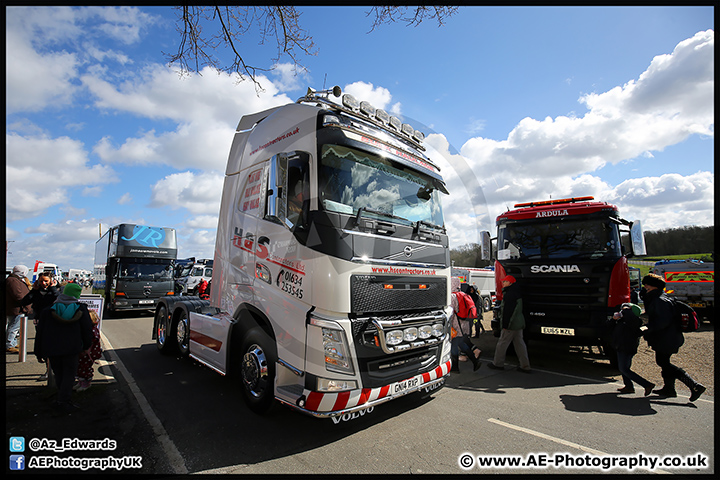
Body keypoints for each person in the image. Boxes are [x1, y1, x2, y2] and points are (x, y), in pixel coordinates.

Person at [640, 273, 705, 402]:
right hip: (670, 336)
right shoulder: (661, 297)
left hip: (666, 337)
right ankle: (669, 389)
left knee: (663, 362)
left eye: (647, 284)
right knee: (664, 362)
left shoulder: (659, 300)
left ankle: (694, 385)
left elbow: (662, 321)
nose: (645, 286)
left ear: (654, 286)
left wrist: (645, 328)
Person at [35, 283, 93, 414]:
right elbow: (87, 330)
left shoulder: (48, 310)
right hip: (72, 348)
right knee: (69, 375)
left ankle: (62, 398)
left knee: (59, 374)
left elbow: (40, 333)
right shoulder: (81, 309)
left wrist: (38, 351)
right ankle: (64, 401)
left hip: (52, 348)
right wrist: (86, 346)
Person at [20, 272, 60, 380]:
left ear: (51, 281)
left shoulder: (55, 290)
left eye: (46, 281)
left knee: (52, 345)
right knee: (43, 344)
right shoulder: (36, 292)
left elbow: (58, 299)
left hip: (53, 321)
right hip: (40, 321)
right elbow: (25, 301)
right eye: (41, 281)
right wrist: (34, 290)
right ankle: (47, 368)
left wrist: (53, 288)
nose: (44, 283)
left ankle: (53, 371)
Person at [610, 303, 655, 396]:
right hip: (621, 346)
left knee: (624, 369)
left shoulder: (634, 322)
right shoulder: (622, 321)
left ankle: (646, 384)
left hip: (627, 347)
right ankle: (628, 386)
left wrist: (626, 310)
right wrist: (613, 319)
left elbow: (631, 318)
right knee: (624, 368)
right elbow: (608, 326)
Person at [489, 275, 531, 372]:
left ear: (510, 283)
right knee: (520, 344)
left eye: (505, 282)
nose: (503, 283)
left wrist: (505, 325)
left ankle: (498, 363)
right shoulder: (517, 292)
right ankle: (525, 366)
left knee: (502, 344)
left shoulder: (509, 294)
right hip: (519, 323)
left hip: (511, 324)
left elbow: (508, 311)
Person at [450, 277, 482, 372]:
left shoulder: (452, 296)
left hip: (456, 325)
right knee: (462, 344)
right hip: (465, 324)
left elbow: (451, 313)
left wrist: (449, 325)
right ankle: (475, 361)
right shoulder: (464, 294)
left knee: (454, 346)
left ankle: (455, 367)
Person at [5, 265, 33, 353]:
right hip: (16, 308)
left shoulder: (14, 279)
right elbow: (17, 294)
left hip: (18, 307)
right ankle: (9, 344)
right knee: (13, 327)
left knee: (15, 327)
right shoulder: (12, 280)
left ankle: (12, 342)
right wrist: (25, 301)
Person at [75, 310, 102, 392]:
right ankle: (81, 381)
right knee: (80, 367)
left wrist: (86, 349)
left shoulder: (92, 330)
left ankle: (86, 383)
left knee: (85, 367)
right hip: (83, 352)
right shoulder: (88, 329)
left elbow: (92, 341)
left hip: (89, 353)